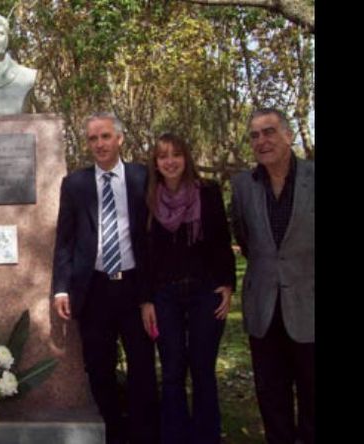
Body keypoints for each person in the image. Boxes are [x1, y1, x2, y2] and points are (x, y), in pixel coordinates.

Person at [52, 112, 159, 444]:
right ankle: (112, 434)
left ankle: (144, 435)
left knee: (143, 367)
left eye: (105, 136)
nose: (99, 144)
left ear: (120, 139)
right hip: (94, 290)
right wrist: (60, 289)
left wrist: (150, 296)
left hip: (134, 288)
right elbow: (65, 240)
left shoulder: (143, 177)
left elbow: (153, 238)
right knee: (99, 369)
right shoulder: (75, 184)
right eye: (93, 138)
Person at [139, 133, 235, 444]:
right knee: (172, 371)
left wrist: (227, 284)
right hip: (164, 297)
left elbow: (221, 241)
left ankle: (206, 437)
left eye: (176, 154)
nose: (170, 161)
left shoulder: (207, 192)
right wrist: (146, 301)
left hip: (205, 293)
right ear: (156, 162)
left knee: (202, 368)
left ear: (186, 158)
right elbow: (143, 253)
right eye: (163, 156)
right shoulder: (148, 198)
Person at [231, 108, 314, 444]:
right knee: (272, 398)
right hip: (264, 308)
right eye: (254, 135)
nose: (261, 141)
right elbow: (245, 238)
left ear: (288, 135)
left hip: (309, 305)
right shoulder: (243, 186)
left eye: (269, 132)